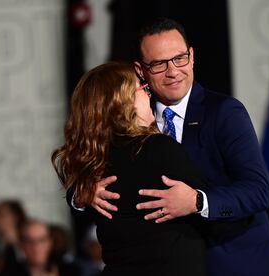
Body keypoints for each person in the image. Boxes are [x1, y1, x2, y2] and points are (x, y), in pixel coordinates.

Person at [71, 17, 269, 275]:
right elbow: (90, 154)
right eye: (160, 64)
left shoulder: (224, 113)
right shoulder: (133, 116)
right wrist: (83, 194)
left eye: (179, 58)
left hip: (237, 264)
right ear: (141, 70)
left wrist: (198, 201)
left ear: (192, 57)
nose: (173, 71)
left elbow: (258, 191)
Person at [53, 62, 230, 275]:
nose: (150, 95)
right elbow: (218, 220)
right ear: (121, 103)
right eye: (142, 89)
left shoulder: (94, 161)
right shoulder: (159, 149)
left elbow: (78, 201)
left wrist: (80, 195)